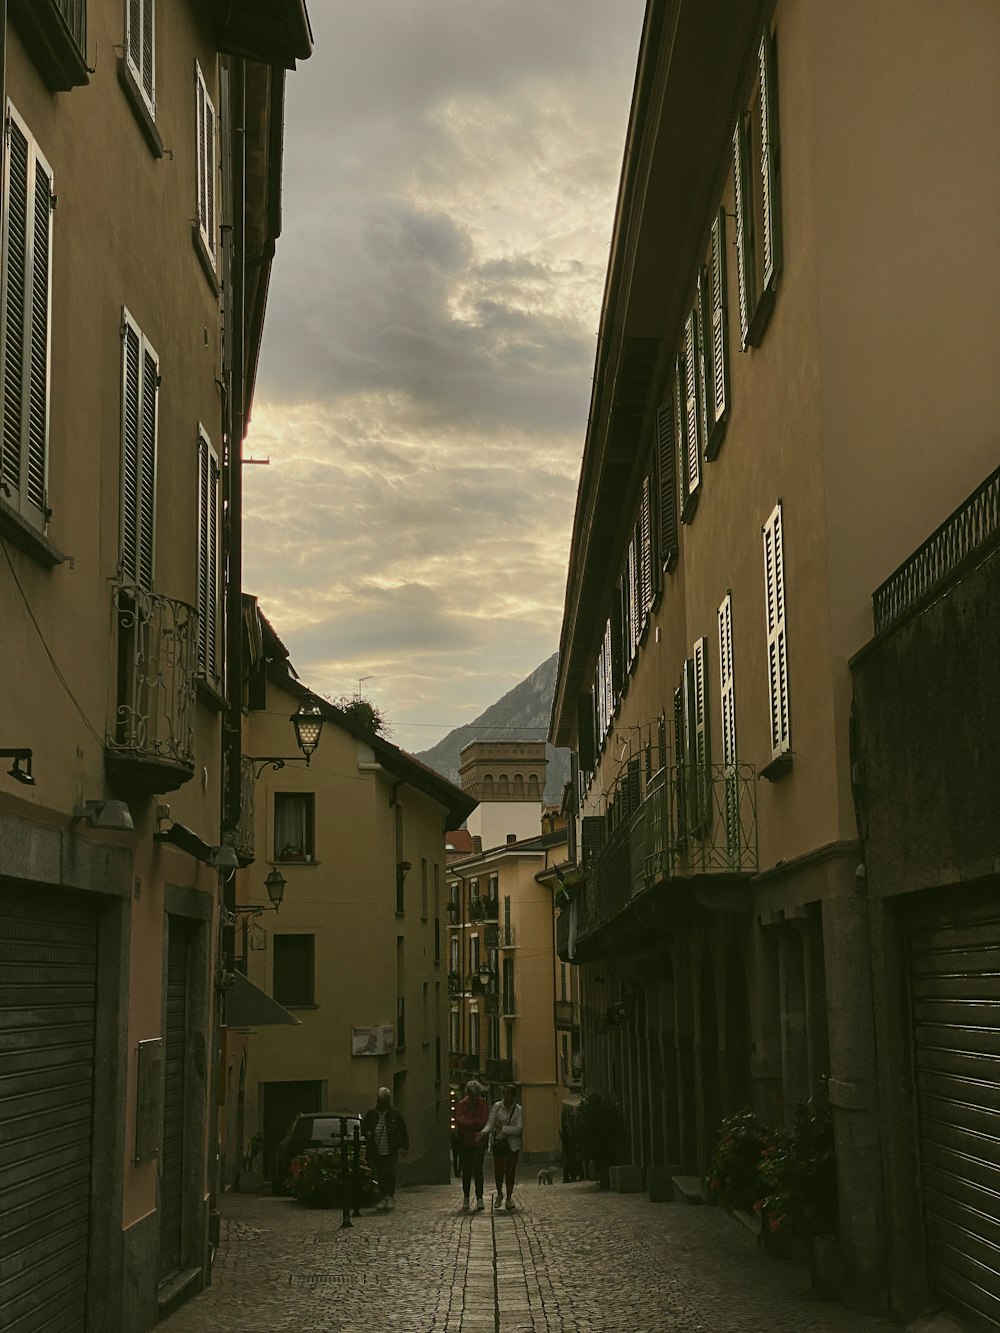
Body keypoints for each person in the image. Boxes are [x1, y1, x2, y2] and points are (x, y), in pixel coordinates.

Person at [361, 1087, 409, 1212]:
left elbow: (402, 1130)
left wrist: (404, 1146)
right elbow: (364, 1128)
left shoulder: (394, 1114)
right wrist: (368, 1133)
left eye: (383, 1101)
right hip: (376, 1149)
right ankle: (383, 1196)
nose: (381, 1104)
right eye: (380, 1101)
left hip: (391, 1149)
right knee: (380, 1173)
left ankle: (390, 1195)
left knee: (389, 1171)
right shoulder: (372, 1114)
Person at [482, 1083, 523, 1210]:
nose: (505, 1097)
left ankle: (509, 1198)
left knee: (510, 1171)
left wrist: (502, 1128)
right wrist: (483, 1132)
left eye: (508, 1094)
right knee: (499, 1170)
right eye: (504, 1094)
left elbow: (518, 1129)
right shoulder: (497, 1106)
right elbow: (491, 1123)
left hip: (512, 1145)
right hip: (498, 1143)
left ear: (512, 1096)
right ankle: (500, 1194)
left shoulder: (518, 1110)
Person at [453, 1078, 489, 1211]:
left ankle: (479, 1198)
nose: (474, 1099)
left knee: (478, 1170)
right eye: (472, 1096)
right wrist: (474, 1123)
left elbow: (483, 1121)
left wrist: (469, 1124)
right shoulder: (462, 1104)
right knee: (466, 1171)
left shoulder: (482, 1104)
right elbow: (460, 1121)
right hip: (465, 1143)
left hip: (478, 1142)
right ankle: (466, 1197)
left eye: (476, 1096)